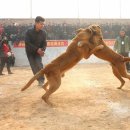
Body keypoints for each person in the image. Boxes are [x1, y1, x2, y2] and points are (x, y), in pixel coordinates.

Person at [25, 16, 47, 86]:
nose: (42, 25)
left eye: (43, 24)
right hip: (30, 52)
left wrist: (43, 50)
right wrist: (37, 49)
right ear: (36, 23)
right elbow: (27, 43)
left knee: (39, 64)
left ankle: (42, 80)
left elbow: (44, 43)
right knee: (34, 67)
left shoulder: (43, 33)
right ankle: (39, 80)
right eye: (41, 24)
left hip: (38, 52)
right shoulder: (29, 31)